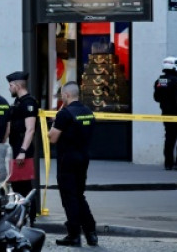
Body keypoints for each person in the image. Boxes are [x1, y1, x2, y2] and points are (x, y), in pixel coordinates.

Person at [48, 82, 98, 247]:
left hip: (67, 160)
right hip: (83, 157)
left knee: (69, 198)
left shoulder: (65, 114)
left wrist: (56, 121)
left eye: (62, 95)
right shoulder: (88, 112)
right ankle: (91, 233)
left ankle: (74, 235)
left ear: (66, 95)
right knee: (79, 195)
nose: (61, 97)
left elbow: (52, 138)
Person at [7, 71, 39, 225]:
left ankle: (29, 219)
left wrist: (22, 152)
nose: (9, 88)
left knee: (24, 186)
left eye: (11, 85)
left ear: (18, 86)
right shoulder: (18, 102)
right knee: (17, 186)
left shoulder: (29, 103)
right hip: (16, 148)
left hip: (22, 150)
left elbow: (30, 129)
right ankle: (20, 218)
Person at [153, 56, 177, 171]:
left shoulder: (159, 81)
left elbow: (156, 98)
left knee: (169, 138)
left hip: (166, 114)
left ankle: (168, 163)